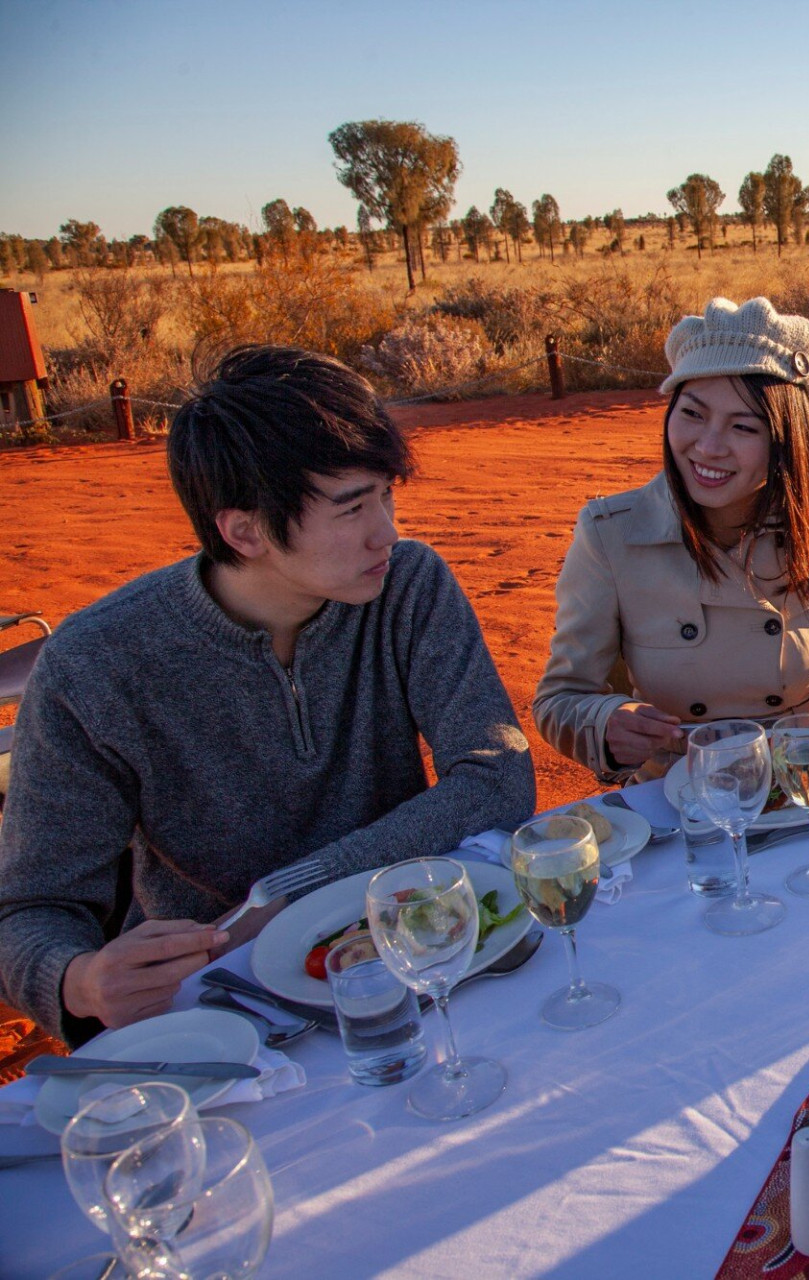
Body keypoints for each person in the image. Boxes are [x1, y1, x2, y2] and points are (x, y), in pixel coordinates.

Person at [0, 346, 537, 1043]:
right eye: (351, 508)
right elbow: (29, 911)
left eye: (386, 494)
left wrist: (291, 891)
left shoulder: (406, 585)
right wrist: (79, 978)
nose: (388, 532)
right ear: (244, 530)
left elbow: (496, 773)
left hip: (417, 956)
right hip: (223, 1009)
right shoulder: (97, 664)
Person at [534, 297, 809, 782]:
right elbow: (560, 698)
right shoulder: (610, 534)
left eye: (743, 426)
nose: (709, 446)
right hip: (677, 797)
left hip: (801, 782)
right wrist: (604, 722)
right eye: (693, 414)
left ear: (786, 442)